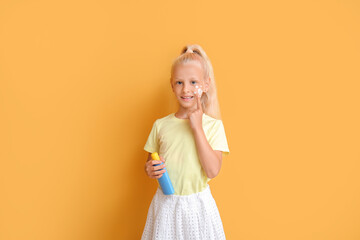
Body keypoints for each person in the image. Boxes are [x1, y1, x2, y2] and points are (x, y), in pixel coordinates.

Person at [141, 44, 230, 240]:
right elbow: (151, 164)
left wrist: (197, 127)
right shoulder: (161, 125)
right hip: (166, 206)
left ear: (206, 85)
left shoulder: (213, 126)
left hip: (198, 208)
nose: (186, 89)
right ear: (172, 85)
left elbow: (212, 170)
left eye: (193, 82)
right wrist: (149, 169)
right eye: (179, 82)